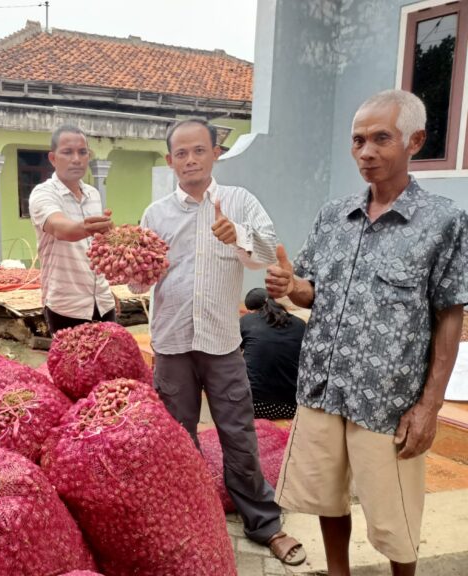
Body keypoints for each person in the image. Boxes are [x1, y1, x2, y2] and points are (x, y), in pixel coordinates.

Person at [266, 90, 468, 576]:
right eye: (358, 140)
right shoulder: (334, 215)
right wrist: (291, 285)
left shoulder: (444, 221)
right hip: (322, 387)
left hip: (388, 401)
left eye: (382, 139)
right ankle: (339, 571)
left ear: (414, 141)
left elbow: (450, 316)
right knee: (325, 495)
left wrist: (429, 407)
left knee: (395, 516)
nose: (366, 152)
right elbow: (311, 292)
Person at [139, 118, 305, 566]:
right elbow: (140, 280)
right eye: (181, 153)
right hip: (172, 343)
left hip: (222, 342)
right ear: (170, 160)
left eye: (199, 150)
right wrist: (129, 270)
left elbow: (269, 254)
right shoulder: (156, 214)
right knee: (177, 439)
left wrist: (239, 235)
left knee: (238, 433)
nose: (190, 159)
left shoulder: (239, 201)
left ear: (216, 152)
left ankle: (264, 523)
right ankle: (188, 521)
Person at [29, 125, 117, 335]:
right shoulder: (43, 194)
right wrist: (85, 228)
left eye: (82, 152)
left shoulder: (93, 194)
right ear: (53, 158)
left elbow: (97, 250)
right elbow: (61, 228)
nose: (76, 159)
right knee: (72, 367)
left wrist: (106, 289)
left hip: (103, 302)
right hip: (66, 306)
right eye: (67, 152)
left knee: (109, 365)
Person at [240, 288, 305, 420]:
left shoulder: (247, 321)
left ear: (251, 310)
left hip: (253, 406)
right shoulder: (300, 324)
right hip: (292, 406)